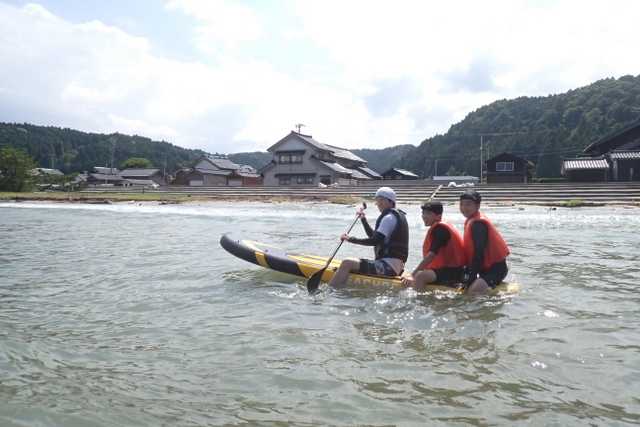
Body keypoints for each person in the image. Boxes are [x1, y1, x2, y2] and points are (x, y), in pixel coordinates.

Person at [328, 187, 409, 287]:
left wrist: (350, 239)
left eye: (381, 200)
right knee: (350, 263)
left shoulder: (389, 218)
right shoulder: (393, 217)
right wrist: (363, 220)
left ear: (390, 201)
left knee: (347, 263)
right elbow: (374, 236)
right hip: (393, 266)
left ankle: (330, 291)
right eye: (378, 200)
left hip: (388, 268)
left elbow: (374, 241)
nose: (378, 203)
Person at [401, 200, 466, 290]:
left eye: (428, 213)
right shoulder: (440, 227)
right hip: (447, 270)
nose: (424, 216)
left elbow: (431, 255)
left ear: (438, 216)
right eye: (423, 213)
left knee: (420, 276)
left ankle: (418, 298)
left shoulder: (440, 229)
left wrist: (413, 275)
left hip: (453, 272)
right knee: (418, 272)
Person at [459, 190, 510, 294]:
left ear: (477, 206)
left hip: (496, 270)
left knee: (472, 292)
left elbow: (478, 253)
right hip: (484, 268)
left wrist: (471, 279)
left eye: (468, 204)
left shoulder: (478, 224)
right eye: (461, 204)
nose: (464, 208)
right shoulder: (472, 220)